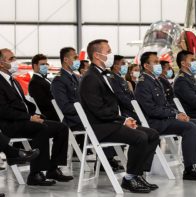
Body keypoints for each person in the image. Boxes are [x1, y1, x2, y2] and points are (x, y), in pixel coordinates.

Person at [80, 39, 160, 193]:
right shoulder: (90, 77)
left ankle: (137, 174)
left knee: (152, 134)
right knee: (140, 137)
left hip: (111, 123)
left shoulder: (105, 74)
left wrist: (125, 119)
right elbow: (98, 111)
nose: (111, 54)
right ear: (97, 55)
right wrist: (123, 120)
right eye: (108, 51)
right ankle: (130, 179)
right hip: (100, 127)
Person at [135, 51, 196, 181]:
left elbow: (166, 104)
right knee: (190, 127)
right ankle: (189, 169)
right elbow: (152, 110)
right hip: (155, 122)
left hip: (165, 118)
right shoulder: (143, 83)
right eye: (156, 62)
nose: (159, 65)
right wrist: (174, 115)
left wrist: (178, 113)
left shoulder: (155, 81)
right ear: (146, 66)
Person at [0, 48, 72, 186]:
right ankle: (35, 174)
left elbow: (23, 103)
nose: (15, 62)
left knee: (61, 127)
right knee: (41, 128)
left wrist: (34, 114)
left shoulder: (13, 80)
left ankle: (53, 168)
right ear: (1, 63)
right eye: (11, 59)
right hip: (10, 124)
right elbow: (3, 110)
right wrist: (28, 117)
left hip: (24, 119)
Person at [51, 47, 120, 169]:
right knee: (104, 122)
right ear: (66, 60)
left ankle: (108, 159)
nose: (78, 60)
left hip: (84, 116)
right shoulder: (59, 80)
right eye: (75, 57)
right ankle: (105, 161)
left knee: (109, 118)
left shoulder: (77, 78)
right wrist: (87, 109)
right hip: (73, 119)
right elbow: (66, 107)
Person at [28, 54, 60, 121]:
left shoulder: (44, 79)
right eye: (42, 64)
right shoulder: (34, 83)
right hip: (53, 115)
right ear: (35, 66)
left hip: (58, 111)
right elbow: (45, 104)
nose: (45, 66)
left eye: (46, 64)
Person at [110, 55, 139, 122]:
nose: (125, 66)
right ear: (115, 66)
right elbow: (122, 98)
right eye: (123, 64)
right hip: (126, 113)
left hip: (131, 109)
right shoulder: (112, 79)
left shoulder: (120, 78)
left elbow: (130, 95)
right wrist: (136, 107)